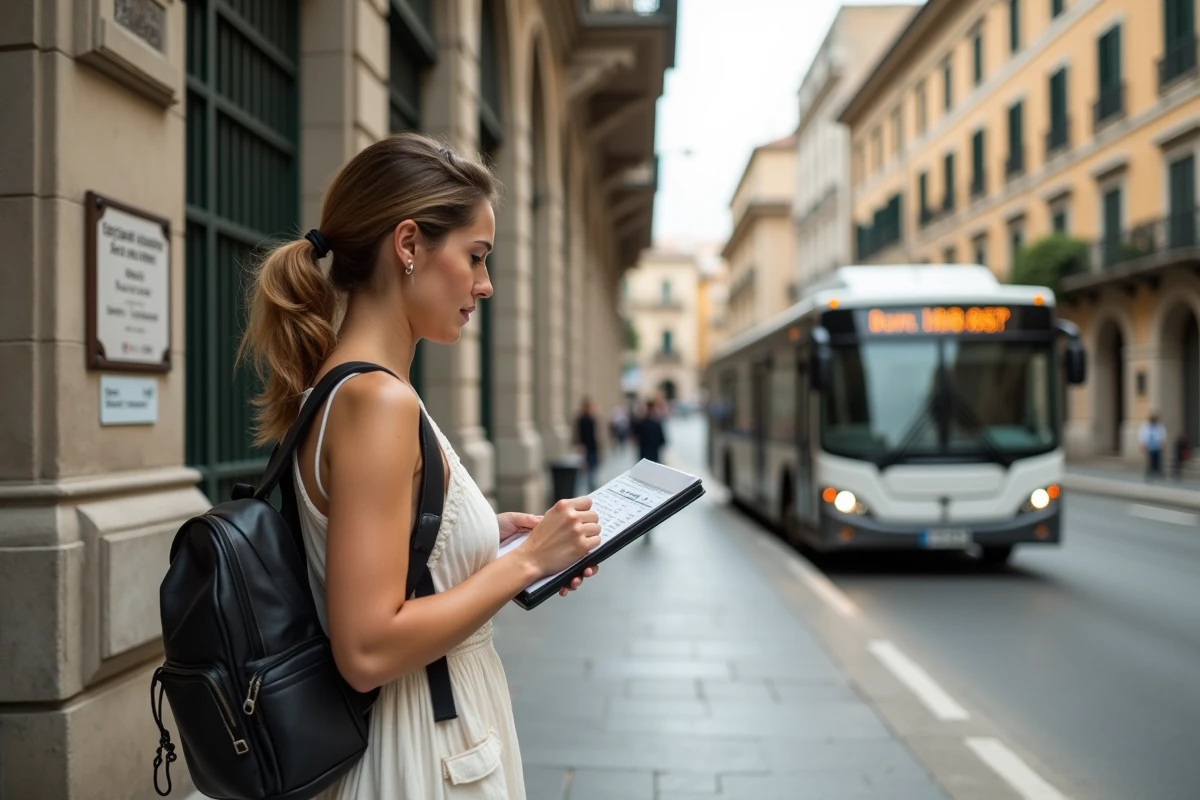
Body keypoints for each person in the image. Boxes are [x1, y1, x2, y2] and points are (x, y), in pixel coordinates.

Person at [237, 132, 600, 800]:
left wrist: (489, 542)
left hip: (422, 744)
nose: (485, 285)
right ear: (408, 246)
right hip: (418, 757)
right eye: (476, 257)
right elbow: (368, 648)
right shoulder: (377, 401)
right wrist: (524, 564)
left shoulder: (350, 389)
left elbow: (386, 565)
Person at [574, 397, 600, 491]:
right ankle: (589, 487)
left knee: (593, 468)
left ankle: (591, 486)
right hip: (585, 448)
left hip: (593, 448)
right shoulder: (582, 419)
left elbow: (595, 435)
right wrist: (580, 446)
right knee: (585, 470)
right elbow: (579, 434)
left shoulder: (593, 419)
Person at [1139, 412, 1168, 481]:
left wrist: (1162, 443)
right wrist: (1143, 445)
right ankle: (1150, 472)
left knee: (1158, 460)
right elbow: (1142, 435)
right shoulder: (1145, 425)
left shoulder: (1159, 426)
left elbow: (1163, 435)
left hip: (1157, 445)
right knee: (1150, 460)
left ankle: (1159, 472)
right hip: (1149, 445)